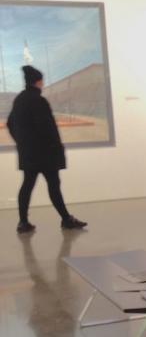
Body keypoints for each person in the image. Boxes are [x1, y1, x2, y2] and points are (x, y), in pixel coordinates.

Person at [6, 65, 86, 233]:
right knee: (54, 186)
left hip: (28, 154)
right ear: (38, 81)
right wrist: (57, 148)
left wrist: (21, 142)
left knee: (27, 186)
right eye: (42, 80)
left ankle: (23, 222)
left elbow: (10, 124)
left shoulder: (19, 99)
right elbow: (48, 129)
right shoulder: (39, 101)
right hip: (45, 154)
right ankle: (66, 220)